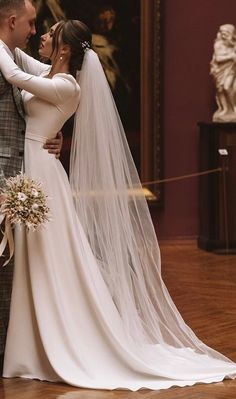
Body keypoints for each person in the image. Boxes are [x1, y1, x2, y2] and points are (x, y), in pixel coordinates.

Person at [0, 18, 236, 392]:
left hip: (43, 176)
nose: (42, 35)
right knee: (39, 259)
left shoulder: (65, 85)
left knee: (49, 258)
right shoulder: (48, 71)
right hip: (37, 168)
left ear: (64, 49)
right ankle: (32, 345)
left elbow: (13, 72)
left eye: (51, 33)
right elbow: (15, 57)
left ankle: (58, 341)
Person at [0, 0, 62, 372]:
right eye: (31, 22)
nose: (34, 30)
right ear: (11, 21)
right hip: (2, 173)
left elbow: (59, 85)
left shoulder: (15, 56)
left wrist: (55, 132)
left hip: (18, 174)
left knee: (9, 264)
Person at [210, 24, 236, 122]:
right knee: (220, 90)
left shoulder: (234, 45)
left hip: (231, 70)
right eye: (221, 33)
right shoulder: (218, 44)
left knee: (227, 87)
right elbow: (218, 58)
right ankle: (225, 109)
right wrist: (231, 56)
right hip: (219, 70)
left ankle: (234, 107)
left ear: (231, 34)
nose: (222, 35)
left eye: (225, 33)